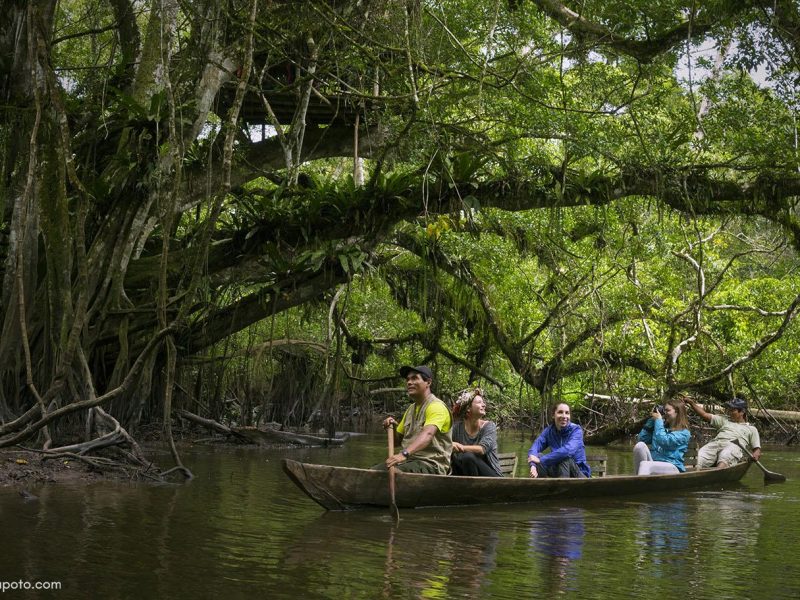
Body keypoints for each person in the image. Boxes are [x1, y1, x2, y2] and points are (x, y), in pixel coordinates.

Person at [378, 365, 453, 474]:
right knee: (373, 471)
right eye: (408, 379)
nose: (409, 382)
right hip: (408, 462)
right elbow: (396, 442)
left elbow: (428, 434)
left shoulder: (436, 406)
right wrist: (392, 428)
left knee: (384, 473)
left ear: (428, 382)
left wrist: (404, 454)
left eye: (414, 378)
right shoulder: (410, 410)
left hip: (430, 464)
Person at [686, 397, 761, 468]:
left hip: (733, 446)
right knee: (697, 458)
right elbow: (704, 414)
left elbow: (757, 449)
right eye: (729, 410)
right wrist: (691, 403)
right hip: (715, 444)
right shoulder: (724, 420)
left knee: (726, 454)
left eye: (733, 410)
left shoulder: (751, 429)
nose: (730, 412)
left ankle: (718, 471)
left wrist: (755, 455)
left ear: (742, 412)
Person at [527, 403, 591, 478]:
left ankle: (562, 489)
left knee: (565, 459)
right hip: (558, 471)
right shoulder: (549, 431)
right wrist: (533, 465)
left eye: (567, 413)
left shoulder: (576, 430)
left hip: (579, 475)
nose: (564, 416)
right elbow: (534, 448)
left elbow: (567, 451)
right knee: (538, 455)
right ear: (553, 415)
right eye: (560, 412)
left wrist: (541, 460)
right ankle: (544, 488)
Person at [450, 387, 503, 477]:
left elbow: (482, 449)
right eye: (479, 402)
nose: (484, 405)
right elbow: (445, 443)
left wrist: (462, 447)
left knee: (468, 457)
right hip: (465, 472)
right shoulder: (457, 428)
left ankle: (473, 490)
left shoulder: (489, 426)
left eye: (483, 402)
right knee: (453, 458)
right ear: (468, 409)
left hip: (491, 476)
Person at [633, 397, 691, 475]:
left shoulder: (684, 433)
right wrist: (652, 421)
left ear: (677, 412)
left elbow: (664, 441)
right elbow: (641, 439)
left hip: (673, 466)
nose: (664, 413)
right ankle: (640, 480)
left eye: (668, 410)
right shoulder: (661, 428)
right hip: (654, 464)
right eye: (664, 410)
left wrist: (659, 421)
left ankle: (639, 485)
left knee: (645, 465)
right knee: (640, 446)